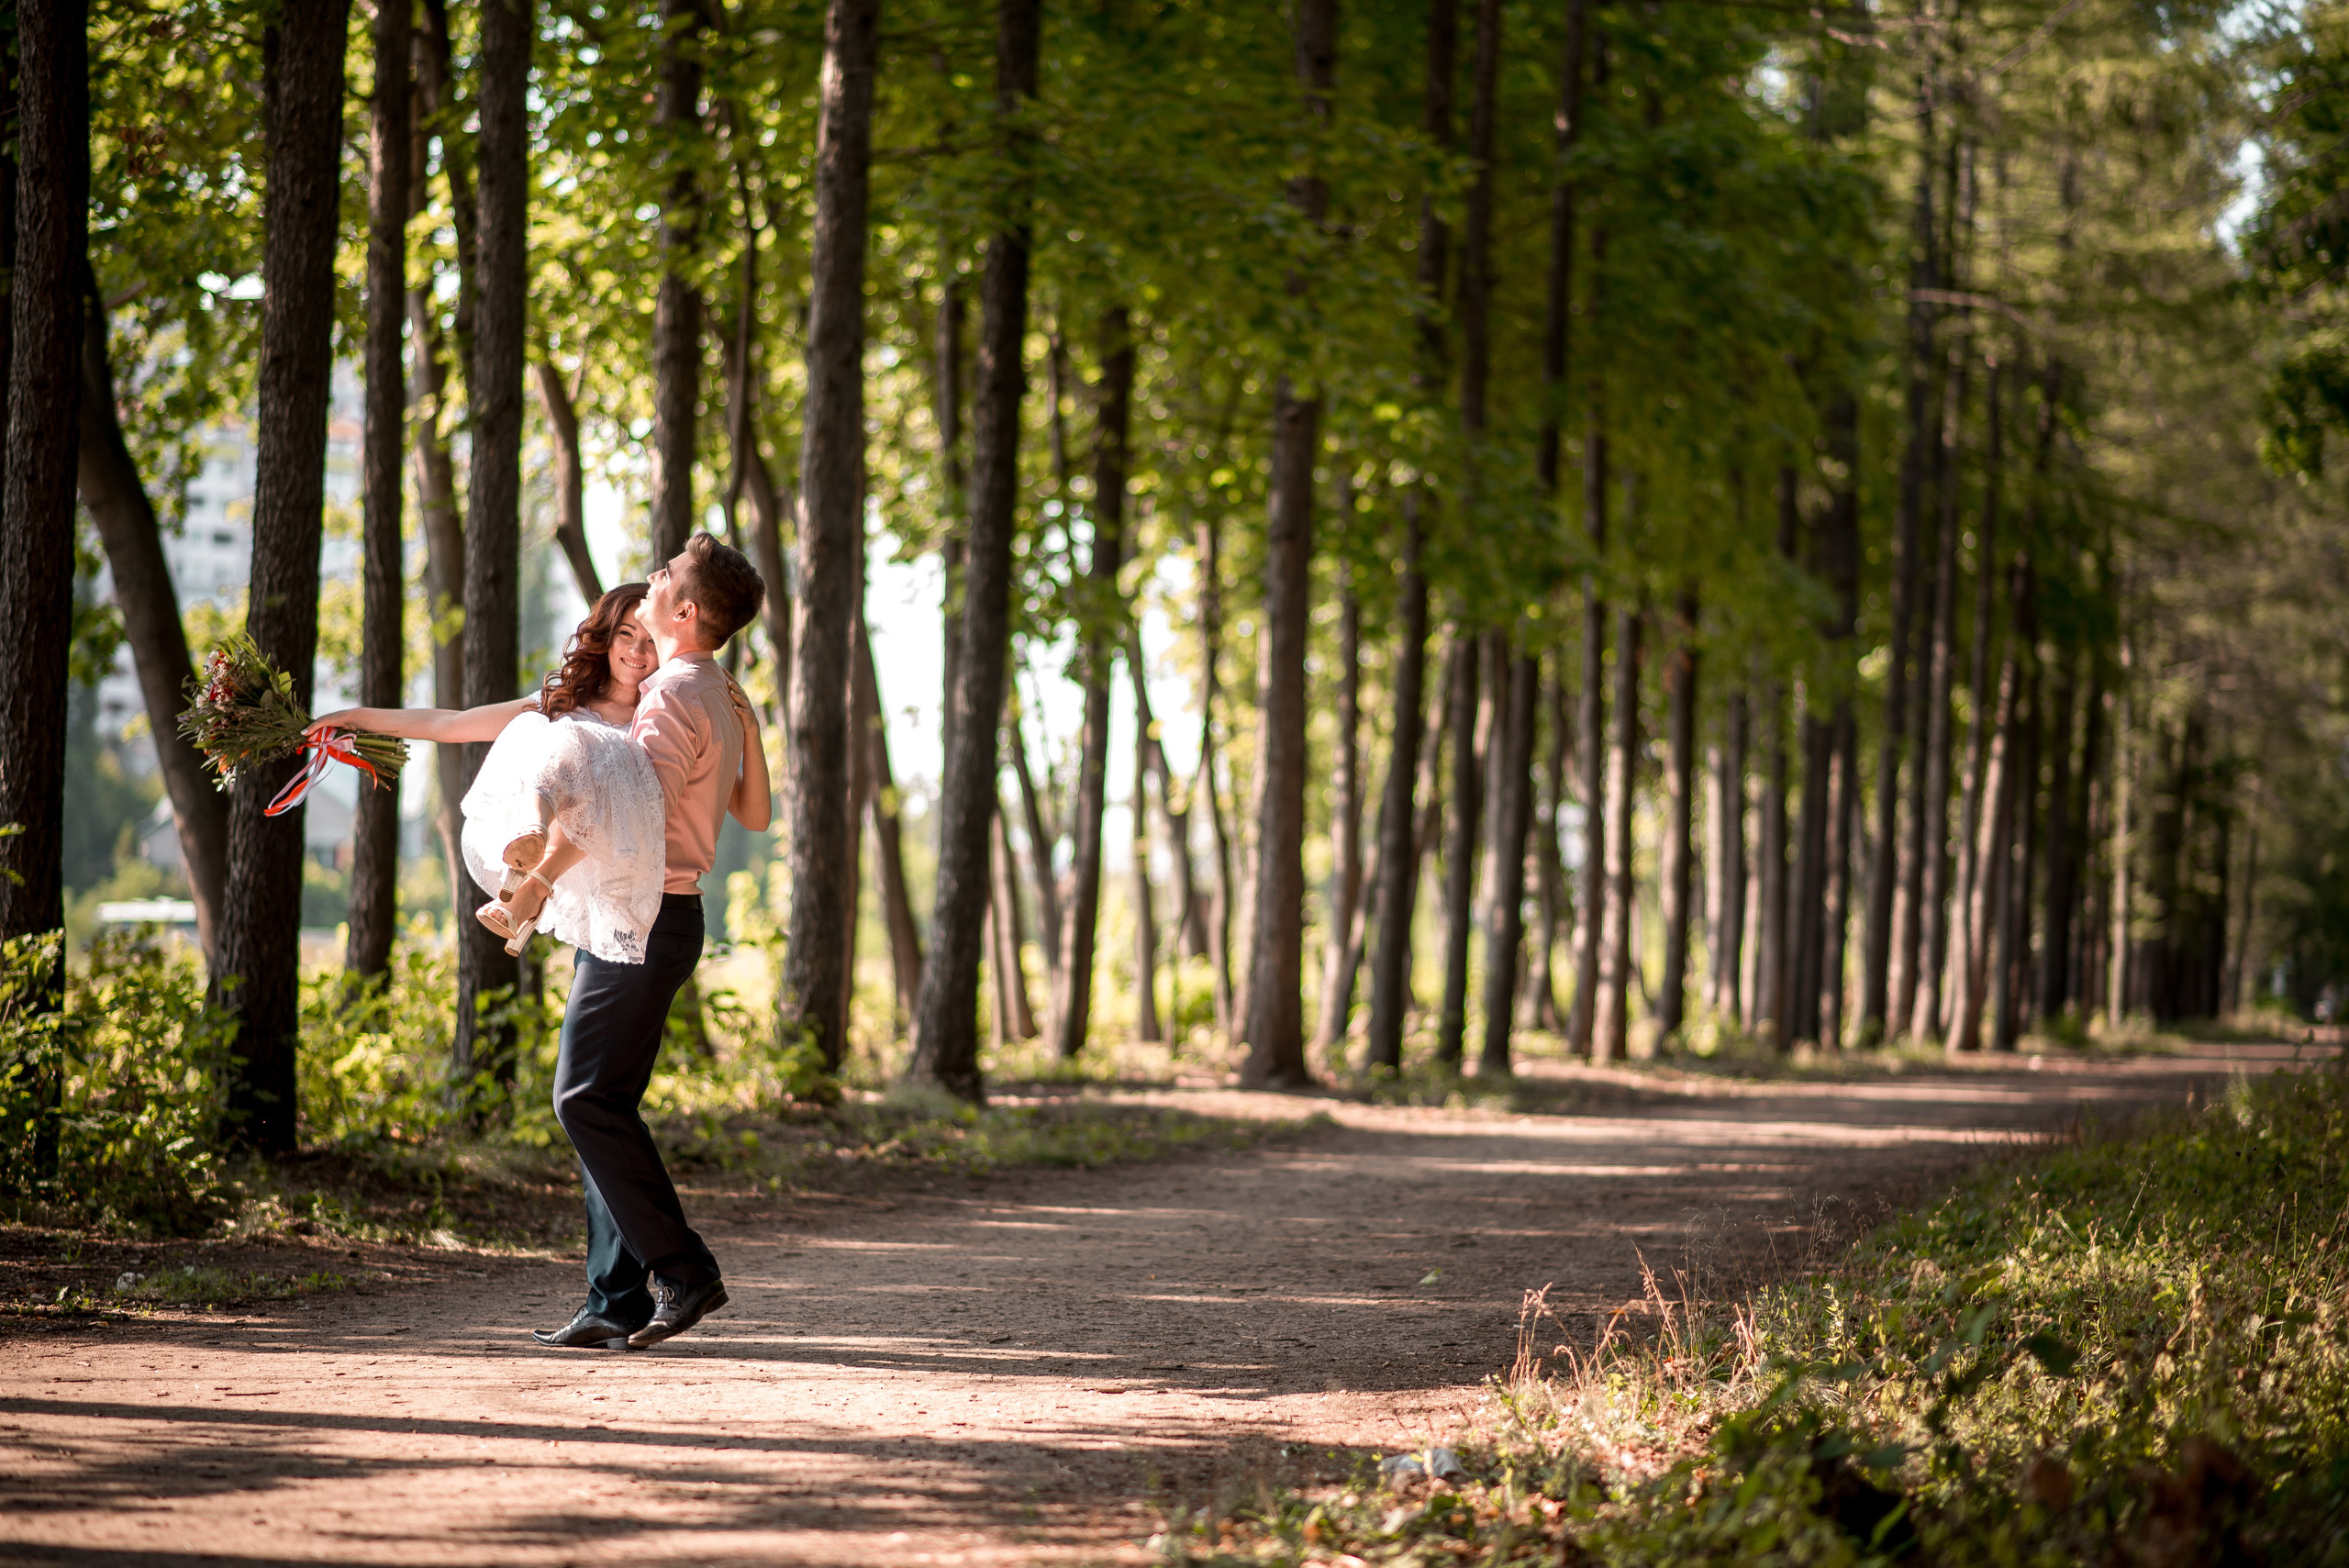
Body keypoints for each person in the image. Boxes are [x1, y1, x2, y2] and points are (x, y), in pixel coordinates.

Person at [496, 533, 769, 1351]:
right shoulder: (719, 691)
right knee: (605, 1105)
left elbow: (627, 812)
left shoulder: (672, 697)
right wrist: (746, 729)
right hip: (667, 918)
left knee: (582, 1098)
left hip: (645, 918)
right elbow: (754, 814)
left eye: (664, 577)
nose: (651, 581)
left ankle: (684, 1272)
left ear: (683, 611)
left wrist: (537, 876)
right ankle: (613, 1296)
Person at [311, 584, 770, 963]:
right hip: (564, 858)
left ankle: (535, 886)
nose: (636, 650)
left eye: (650, 640)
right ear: (606, 637)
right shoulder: (563, 702)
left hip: (620, 879)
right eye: (625, 634)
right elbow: (449, 724)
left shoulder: (663, 724)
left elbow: (754, 816)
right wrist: (354, 717)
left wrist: (749, 727)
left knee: (607, 772)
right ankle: (530, 847)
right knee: (542, 728)